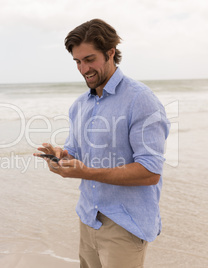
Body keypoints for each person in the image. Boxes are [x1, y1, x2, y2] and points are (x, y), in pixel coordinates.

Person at [35, 19, 170, 267]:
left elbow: (150, 172)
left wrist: (86, 172)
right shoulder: (80, 105)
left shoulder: (140, 100)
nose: (83, 68)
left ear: (110, 53)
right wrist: (61, 156)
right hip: (87, 218)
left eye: (89, 59)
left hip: (125, 224)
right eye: (77, 61)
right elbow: (76, 153)